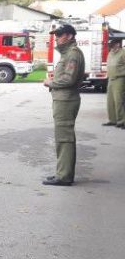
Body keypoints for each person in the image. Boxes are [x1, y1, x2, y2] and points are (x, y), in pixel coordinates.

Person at [42, 24, 85, 186]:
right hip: (63, 99)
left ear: (68, 36)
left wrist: (51, 82)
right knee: (62, 137)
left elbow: (69, 79)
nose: (57, 38)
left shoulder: (72, 54)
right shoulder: (68, 53)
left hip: (66, 100)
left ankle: (64, 176)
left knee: (64, 138)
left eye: (59, 35)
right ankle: (62, 172)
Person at [103, 38, 125, 128]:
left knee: (119, 100)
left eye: (112, 45)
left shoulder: (123, 53)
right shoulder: (111, 53)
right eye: (109, 45)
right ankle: (113, 120)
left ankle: (122, 121)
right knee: (110, 101)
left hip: (120, 78)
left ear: (118, 44)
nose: (110, 46)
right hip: (111, 78)